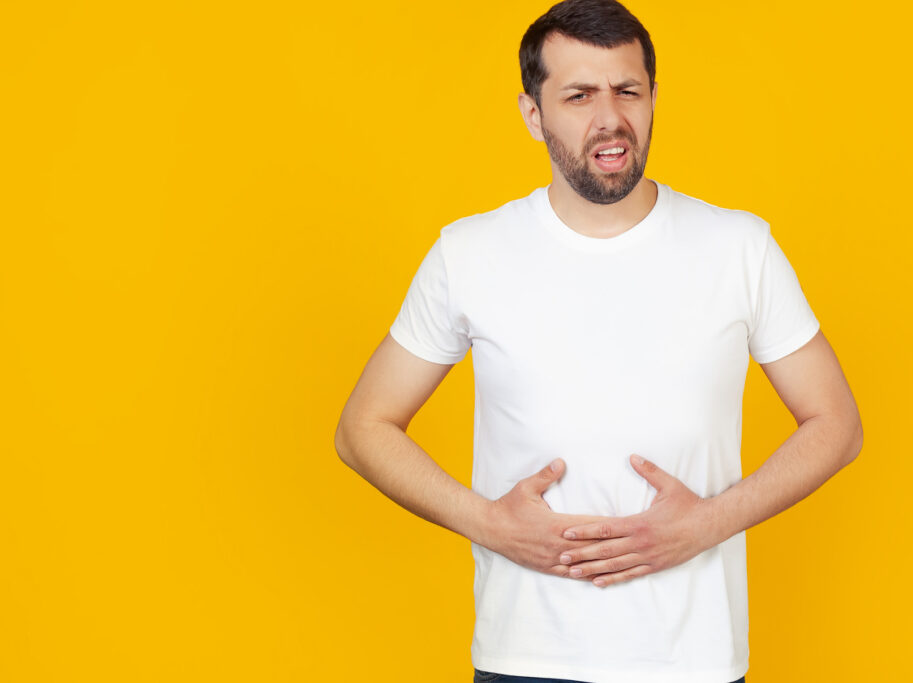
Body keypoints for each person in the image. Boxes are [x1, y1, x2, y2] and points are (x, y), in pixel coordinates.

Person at [333, 1, 864, 681]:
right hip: (525, 657)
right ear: (533, 114)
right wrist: (489, 523)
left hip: (691, 661)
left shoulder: (739, 247)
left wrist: (706, 524)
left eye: (627, 91)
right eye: (579, 95)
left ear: (653, 98)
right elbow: (363, 428)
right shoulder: (469, 253)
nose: (610, 117)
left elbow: (837, 424)